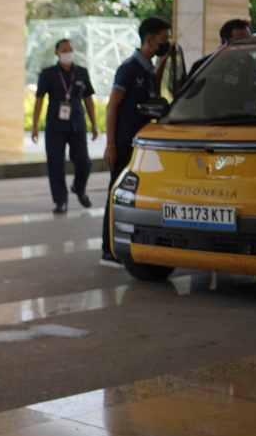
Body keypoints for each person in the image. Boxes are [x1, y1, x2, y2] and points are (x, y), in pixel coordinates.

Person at [102, 16, 171, 267]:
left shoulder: (147, 70)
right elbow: (113, 106)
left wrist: (163, 60)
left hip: (141, 144)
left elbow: (153, 81)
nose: (166, 43)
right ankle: (107, 249)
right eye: (163, 40)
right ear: (149, 39)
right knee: (116, 193)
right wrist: (110, 144)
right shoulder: (129, 68)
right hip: (123, 143)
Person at [31, 39, 99, 213]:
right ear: (57, 53)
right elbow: (39, 99)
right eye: (64, 50)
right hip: (55, 126)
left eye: (70, 49)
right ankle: (60, 201)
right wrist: (34, 126)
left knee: (84, 162)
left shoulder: (82, 72)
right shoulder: (48, 73)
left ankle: (79, 187)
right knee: (55, 163)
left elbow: (88, 99)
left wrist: (94, 123)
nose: (68, 52)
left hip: (77, 124)